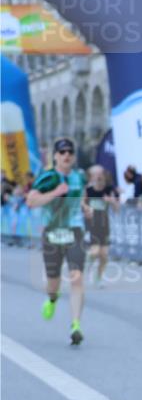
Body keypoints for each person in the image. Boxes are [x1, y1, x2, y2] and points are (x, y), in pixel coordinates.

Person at [25, 138, 88, 345]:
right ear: (55, 156)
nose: (66, 155)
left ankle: (76, 325)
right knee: (53, 281)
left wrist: (86, 209)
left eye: (70, 152)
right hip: (52, 233)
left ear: (74, 156)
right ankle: (52, 298)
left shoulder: (79, 176)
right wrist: (55, 193)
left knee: (76, 276)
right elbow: (31, 201)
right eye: (62, 152)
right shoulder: (48, 177)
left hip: (75, 231)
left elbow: (81, 199)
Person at [83, 165, 119, 287]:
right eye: (96, 175)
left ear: (104, 176)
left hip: (105, 225)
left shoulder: (109, 190)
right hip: (92, 225)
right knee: (94, 252)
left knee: (104, 255)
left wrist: (111, 201)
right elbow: (81, 203)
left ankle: (98, 278)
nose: (98, 177)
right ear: (92, 177)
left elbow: (117, 209)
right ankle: (87, 263)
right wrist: (86, 208)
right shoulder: (88, 190)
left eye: (100, 174)